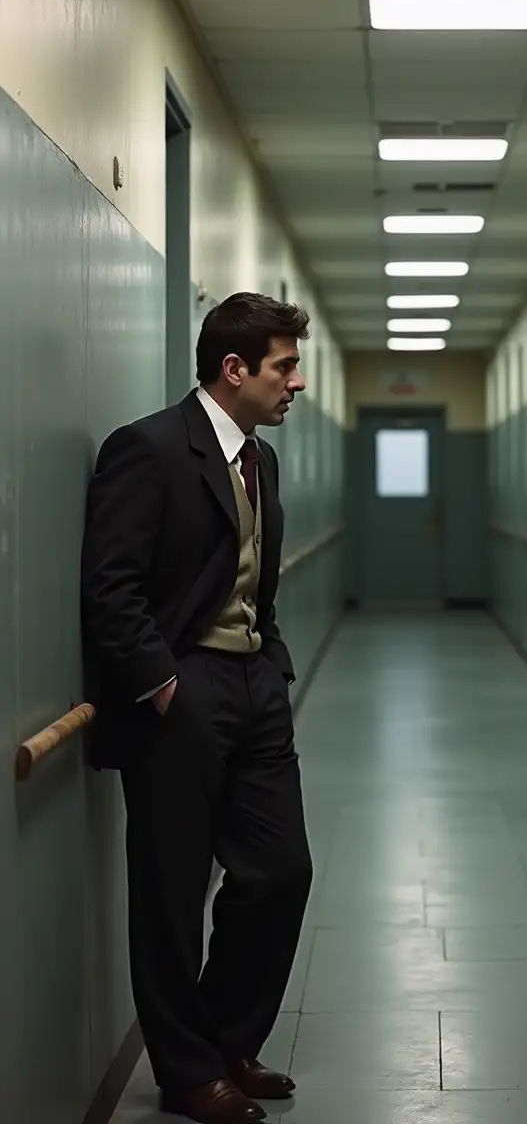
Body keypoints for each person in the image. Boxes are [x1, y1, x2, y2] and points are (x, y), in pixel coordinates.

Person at [80, 292, 314, 1124]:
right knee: (172, 891)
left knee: (281, 870)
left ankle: (226, 1038)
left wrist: (271, 658)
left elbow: (257, 576)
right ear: (234, 369)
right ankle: (187, 1071)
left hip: (255, 683)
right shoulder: (147, 450)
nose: (297, 383)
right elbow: (111, 587)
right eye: (285, 367)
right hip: (182, 690)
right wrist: (164, 683)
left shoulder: (261, 458)